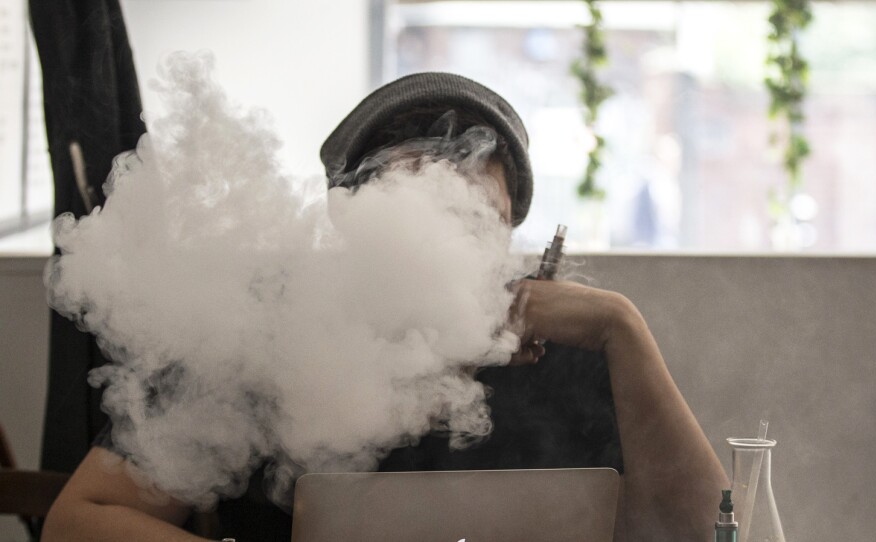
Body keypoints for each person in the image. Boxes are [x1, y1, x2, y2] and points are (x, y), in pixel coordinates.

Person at [42, 72, 728, 542]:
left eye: (476, 220)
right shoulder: (262, 338)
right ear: (351, 221)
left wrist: (622, 328)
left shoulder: (570, 343)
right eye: (421, 212)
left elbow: (704, 530)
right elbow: (79, 520)